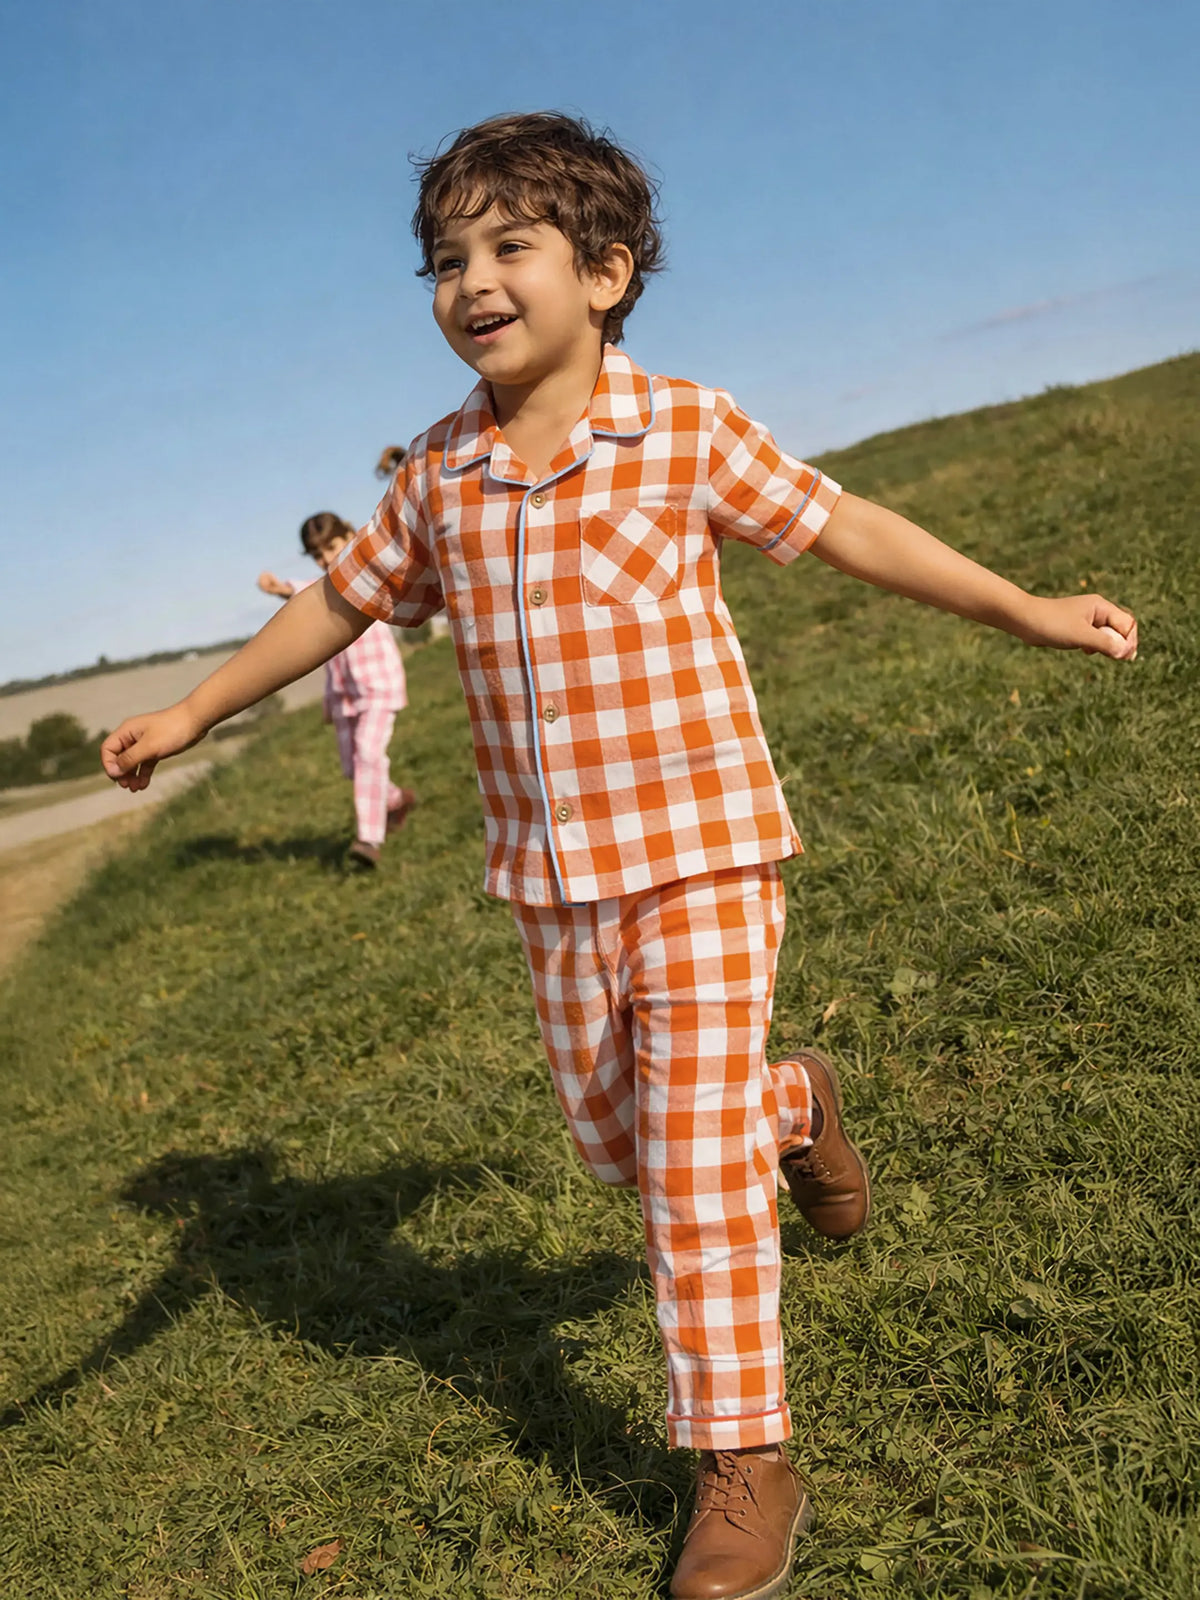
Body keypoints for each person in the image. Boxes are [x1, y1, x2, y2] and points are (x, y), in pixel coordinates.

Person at [102, 112, 1138, 1600]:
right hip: (551, 884)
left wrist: (1024, 605)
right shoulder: (437, 478)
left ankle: (745, 1452)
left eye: (506, 245)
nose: (470, 279)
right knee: (620, 1143)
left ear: (606, 271)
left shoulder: (689, 431)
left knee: (683, 1171)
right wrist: (195, 707)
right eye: (444, 257)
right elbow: (338, 608)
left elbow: (848, 528)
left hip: (706, 849)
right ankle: (797, 1103)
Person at [258, 511, 415, 869]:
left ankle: (368, 840)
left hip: (378, 683)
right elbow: (312, 595)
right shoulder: (326, 584)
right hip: (344, 690)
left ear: (349, 536)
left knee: (369, 755)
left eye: (332, 547)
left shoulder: (367, 570)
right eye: (318, 555)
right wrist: (281, 589)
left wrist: (284, 588)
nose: (328, 558)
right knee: (353, 767)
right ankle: (395, 799)